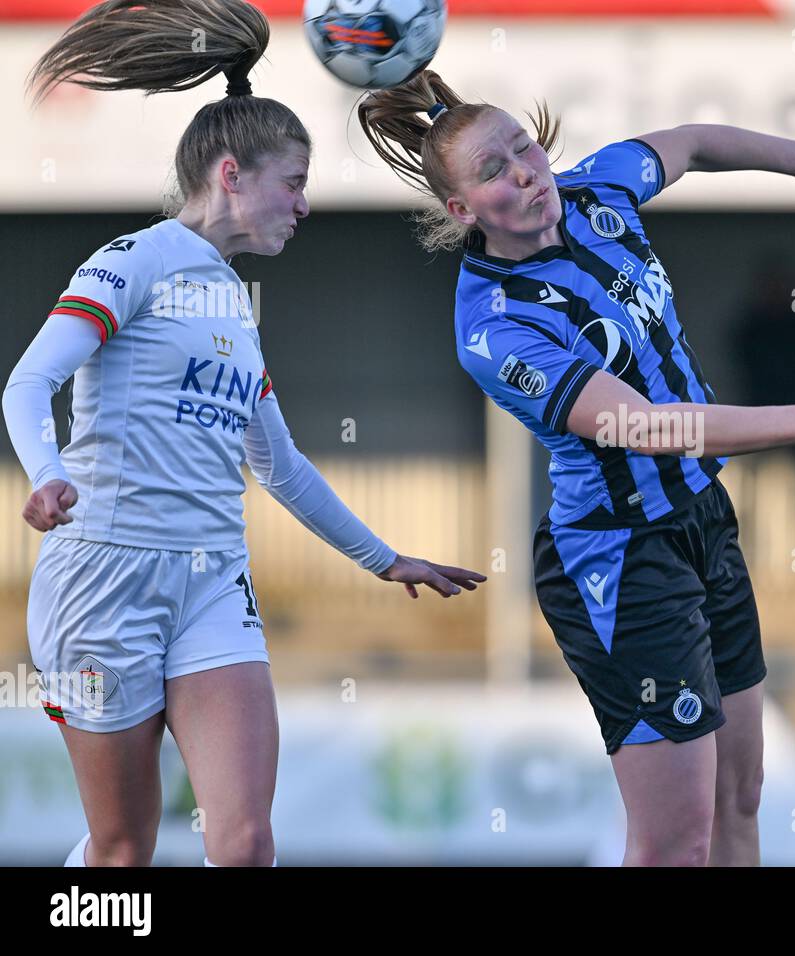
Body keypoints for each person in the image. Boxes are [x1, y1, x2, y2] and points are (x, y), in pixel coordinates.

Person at [358, 74, 795, 865]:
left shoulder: (597, 190)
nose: (524, 171)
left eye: (525, 147)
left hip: (702, 521)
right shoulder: (495, 328)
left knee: (739, 799)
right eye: (493, 171)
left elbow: (690, 142)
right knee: (673, 844)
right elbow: (643, 427)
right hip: (621, 561)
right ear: (461, 211)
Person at [5, 0, 484, 867]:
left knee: (247, 842)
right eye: (293, 183)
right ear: (232, 174)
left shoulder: (231, 299)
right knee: (121, 851)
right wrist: (44, 473)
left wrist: (387, 558)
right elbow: (29, 379)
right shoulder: (133, 261)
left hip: (212, 580)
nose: (304, 206)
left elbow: (282, 465)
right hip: (103, 580)